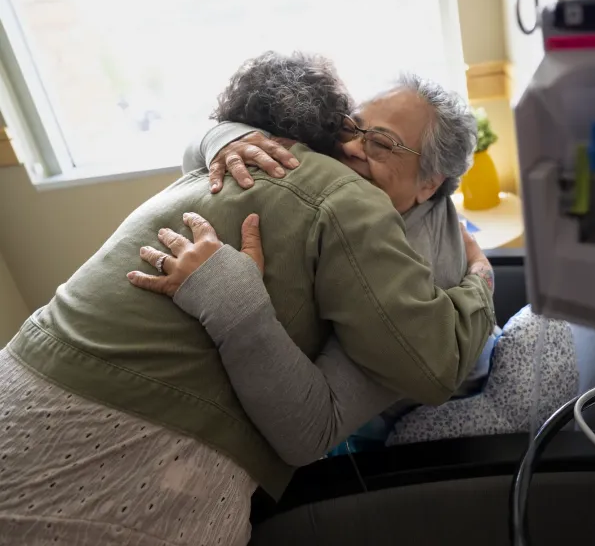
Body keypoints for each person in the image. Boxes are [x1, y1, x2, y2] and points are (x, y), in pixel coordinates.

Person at [0, 51, 495, 546]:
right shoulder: (274, 160)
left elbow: (343, 412)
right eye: (353, 126)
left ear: (431, 182)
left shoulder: (419, 256)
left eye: (383, 143)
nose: (352, 146)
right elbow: (199, 144)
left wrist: (479, 282)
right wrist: (224, 136)